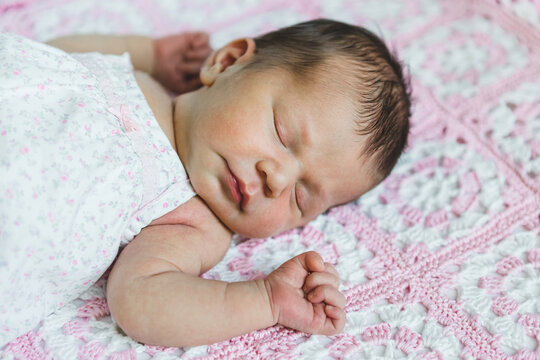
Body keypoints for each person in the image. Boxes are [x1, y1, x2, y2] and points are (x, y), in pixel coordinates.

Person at [0, 19, 410, 348]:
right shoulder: (137, 76)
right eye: (282, 133)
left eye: (301, 198)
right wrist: (150, 52)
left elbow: (141, 303)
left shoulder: (192, 221)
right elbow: (58, 53)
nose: (277, 178)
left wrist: (266, 300)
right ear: (228, 61)